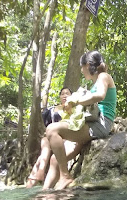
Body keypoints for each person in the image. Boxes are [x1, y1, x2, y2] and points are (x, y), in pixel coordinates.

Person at [45, 50, 116, 189]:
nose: (82, 70)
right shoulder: (95, 82)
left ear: (88, 65)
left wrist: (75, 101)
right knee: (55, 159)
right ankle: (44, 196)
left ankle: (65, 177)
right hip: (90, 123)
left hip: (100, 124)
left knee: (51, 130)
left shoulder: (103, 77)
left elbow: (100, 96)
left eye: (82, 67)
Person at [26, 87, 72, 188]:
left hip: (65, 137)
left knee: (41, 157)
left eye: (67, 93)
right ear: (59, 96)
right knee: (45, 141)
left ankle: (36, 175)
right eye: (62, 94)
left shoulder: (74, 109)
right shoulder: (52, 109)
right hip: (51, 137)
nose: (64, 96)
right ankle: (41, 171)